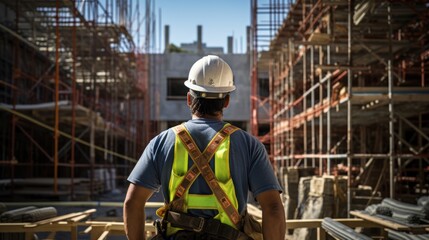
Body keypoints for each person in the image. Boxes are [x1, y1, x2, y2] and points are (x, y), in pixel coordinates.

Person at [123, 55, 286, 240]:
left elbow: (132, 203)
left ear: (189, 99)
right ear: (226, 101)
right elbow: (272, 207)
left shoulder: (161, 142)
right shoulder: (250, 145)